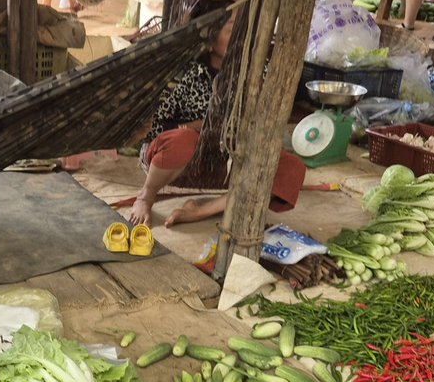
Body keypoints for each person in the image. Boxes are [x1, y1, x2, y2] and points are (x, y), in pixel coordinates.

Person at [127, 19, 305, 227]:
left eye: (243, 31)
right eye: (231, 31)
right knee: (183, 140)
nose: (240, 37)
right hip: (179, 166)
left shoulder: (257, 71)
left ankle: (203, 210)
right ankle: (146, 197)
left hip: (229, 165)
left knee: (292, 168)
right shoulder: (185, 72)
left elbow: (264, 123)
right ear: (210, 42)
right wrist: (196, 127)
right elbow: (152, 129)